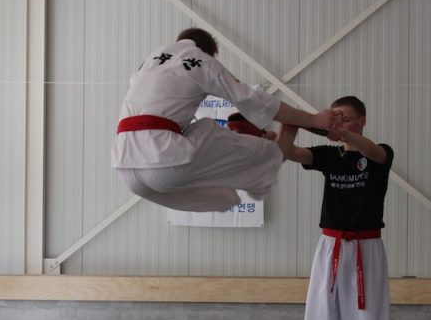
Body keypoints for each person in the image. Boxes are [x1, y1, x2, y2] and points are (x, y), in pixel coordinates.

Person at [112, 27, 339, 212]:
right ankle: (271, 153)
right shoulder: (200, 60)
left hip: (126, 170)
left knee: (222, 198)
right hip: (164, 160)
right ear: (209, 53)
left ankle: (246, 172)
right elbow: (251, 99)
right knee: (207, 128)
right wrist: (313, 119)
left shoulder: (150, 61)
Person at [281, 97, 397, 320]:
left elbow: (374, 153)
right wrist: (287, 126)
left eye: (345, 118)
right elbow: (292, 153)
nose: (339, 123)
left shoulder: (379, 153)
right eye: (334, 118)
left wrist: (342, 133)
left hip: (366, 249)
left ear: (362, 120)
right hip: (329, 247)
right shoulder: (331, 156)